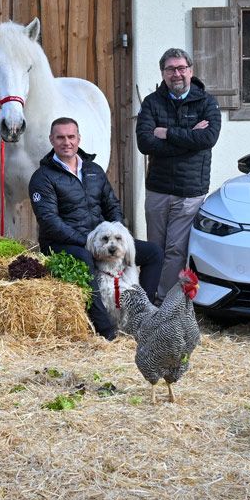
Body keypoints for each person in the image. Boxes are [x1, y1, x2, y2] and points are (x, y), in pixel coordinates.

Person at [29, 117, 163, 339]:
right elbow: (49, 222)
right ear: (51, 140)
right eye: (60, 137)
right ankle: (106, 330)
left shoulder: (94, 170)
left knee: (153, 253)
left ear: (79, 138)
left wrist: (116, 234)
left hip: (103, 239)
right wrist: (88, 241)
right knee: (85, 258)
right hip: (65, 242)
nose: (66, 142)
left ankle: (141, 316)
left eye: (71, 137)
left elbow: (112, 205)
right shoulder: (43, 177)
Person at [135, 47, 222, 294]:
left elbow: (207, 139)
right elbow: (145, 144)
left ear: (191, 71)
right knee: (155, 248)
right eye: (171, 69)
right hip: (158, 189)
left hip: (189, 190)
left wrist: (167, 133)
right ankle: (147, 297)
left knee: (176, 249)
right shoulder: (152, 103)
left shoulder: (207, 102)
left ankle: (162, 300)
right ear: (163, 73)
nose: (177, 74)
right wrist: (189, 139)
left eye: (181, 68)